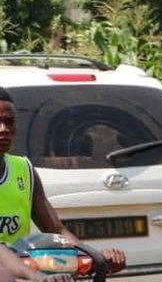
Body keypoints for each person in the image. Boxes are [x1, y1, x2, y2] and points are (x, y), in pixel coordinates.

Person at [0, 90, 126, 274]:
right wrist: (33, 276)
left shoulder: (24, 170)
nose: (4, 129)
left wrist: (94, 257)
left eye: (9, 121)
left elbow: (57, 230)